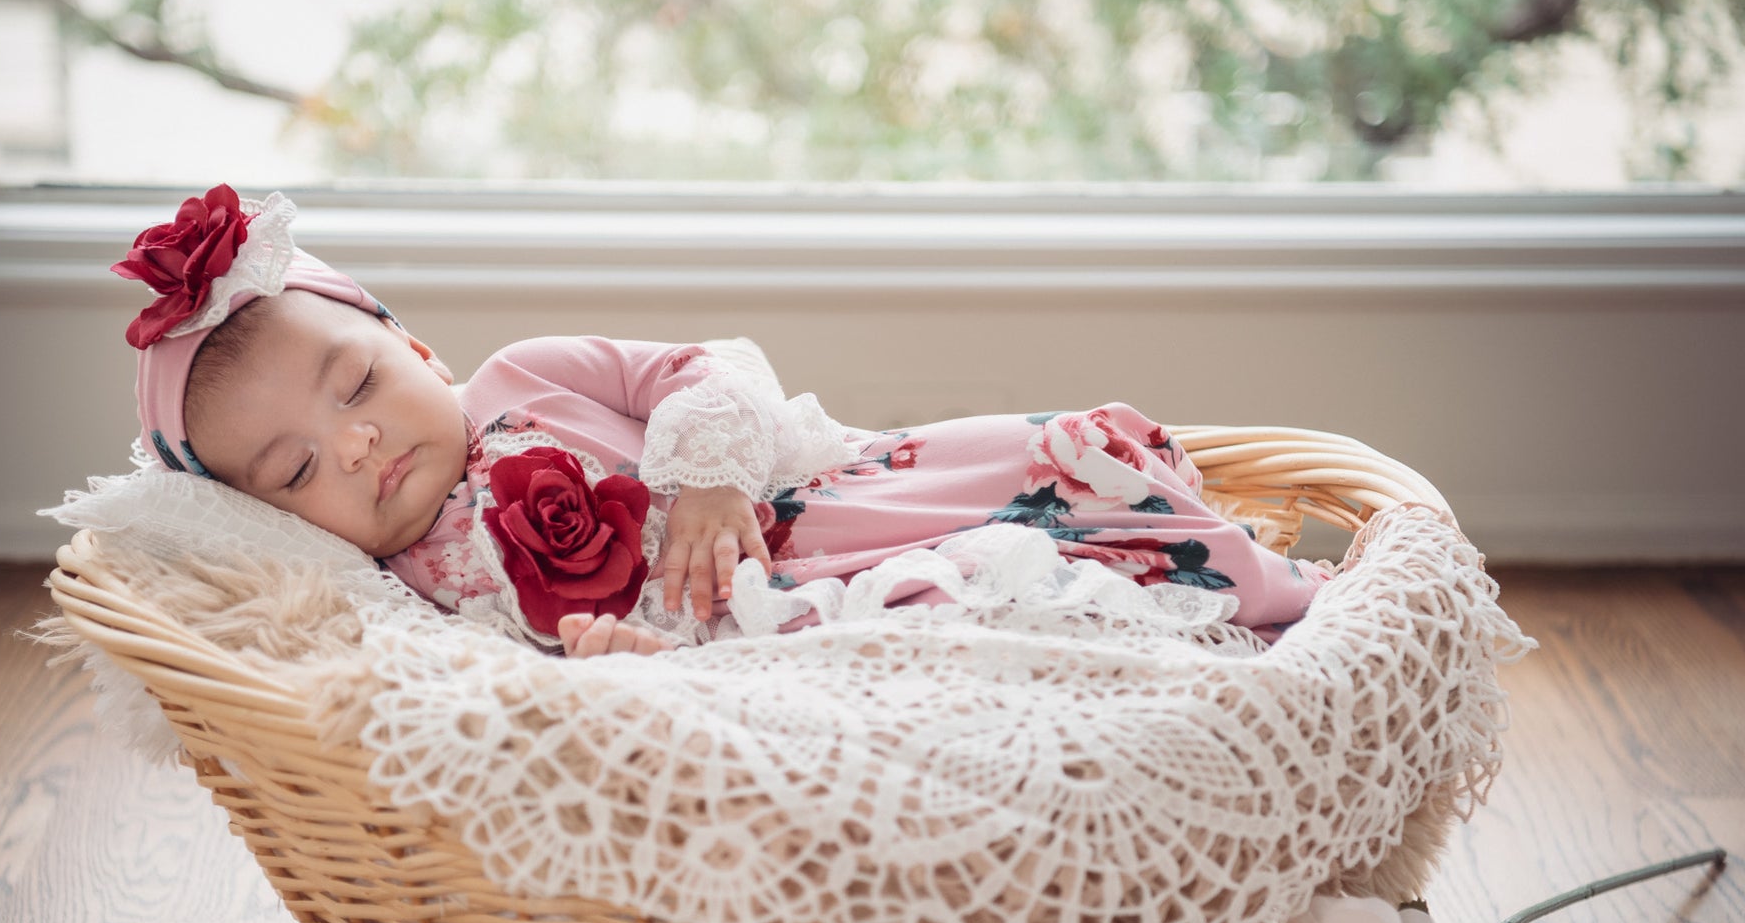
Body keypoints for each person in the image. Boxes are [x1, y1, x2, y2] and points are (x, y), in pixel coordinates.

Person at [121, 185, 1329, 658]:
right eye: (296, 469)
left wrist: (702, 479)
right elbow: (487, 708)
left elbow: (717, 366)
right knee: (961, 638)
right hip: (758, 663)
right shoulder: (399, 596)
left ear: (417, 347)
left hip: (808, 524)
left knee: (1027, 491)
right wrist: (609, 668)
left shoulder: (524, 378)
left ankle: (1268, 597)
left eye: (358, 386)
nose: (358, 446)